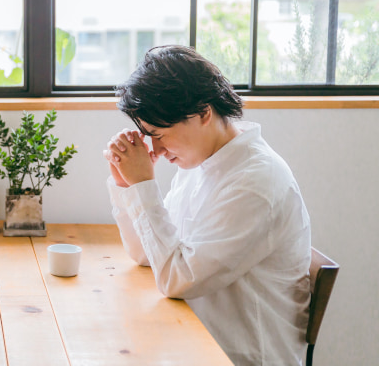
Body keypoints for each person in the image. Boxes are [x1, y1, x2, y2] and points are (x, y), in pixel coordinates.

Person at [103, 45, 310, 365]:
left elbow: (175, 279)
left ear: (203, 113)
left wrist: (144, 186)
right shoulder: (201, 162)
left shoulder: (255, 184)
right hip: (194, 341)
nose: (155, 148)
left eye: (159, 134)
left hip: (239, 356)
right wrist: (125, 183)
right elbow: (147, 255)